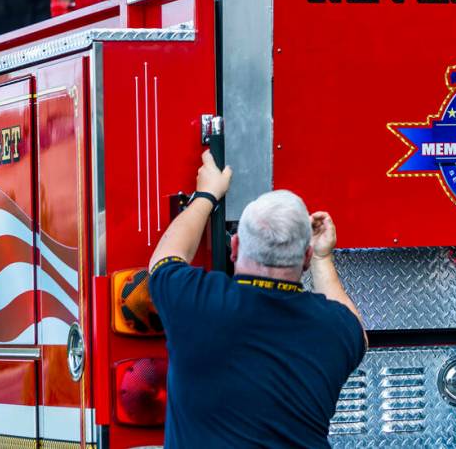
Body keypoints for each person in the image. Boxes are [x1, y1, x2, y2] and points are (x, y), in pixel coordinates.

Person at [148, 150, 367, 448]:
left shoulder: (195, 301)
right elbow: (355, 328)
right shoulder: (334, 329)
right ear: (304, 258)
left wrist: (206, 195)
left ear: (234, 247)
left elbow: (165, 258)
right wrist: (322, 257)